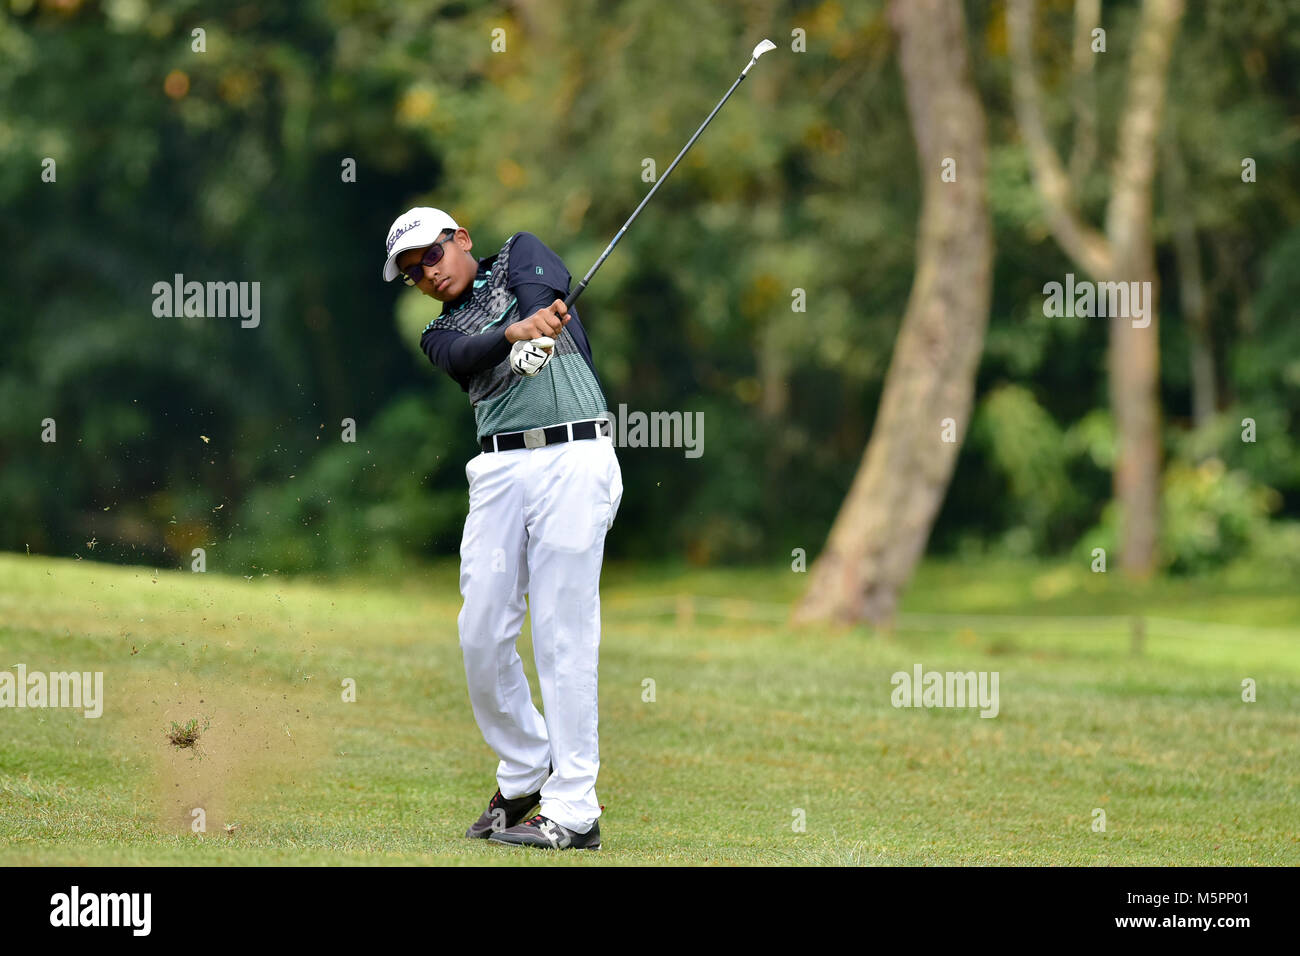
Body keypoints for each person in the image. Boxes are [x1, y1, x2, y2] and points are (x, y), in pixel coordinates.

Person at [382, 206, 622, 850]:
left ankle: (573, 809)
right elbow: (467, 352)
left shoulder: (518, 251)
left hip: (575, 457)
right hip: (499, 472)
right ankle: (525, 770)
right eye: (411, 273)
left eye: (430, 256)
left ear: (460, 239)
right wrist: (516, 335)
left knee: (561, 633)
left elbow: (546, 281)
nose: (426, 275)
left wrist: (540, 318)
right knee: (481, 632)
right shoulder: (439, 334)